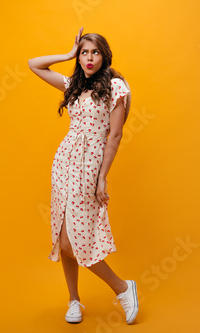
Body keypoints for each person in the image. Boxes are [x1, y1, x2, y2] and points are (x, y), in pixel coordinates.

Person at [28, 27, 139, 324]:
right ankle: (74, 300)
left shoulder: (116, 87)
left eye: (95, 52)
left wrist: (102, 176)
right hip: (64, 163)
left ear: (105, 56)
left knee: (74, 239)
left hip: (89, 166)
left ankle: (122, 287)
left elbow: (114, 135)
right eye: (84, 53)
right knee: (62, 236)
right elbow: (34, 64)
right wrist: (67, 53)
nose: (89, 58)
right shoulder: (73, 86)